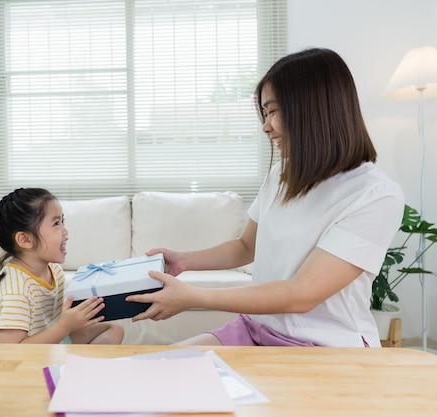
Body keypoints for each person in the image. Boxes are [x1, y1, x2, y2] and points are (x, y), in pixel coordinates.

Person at [126, 48, 405, 348]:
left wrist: (194, 297)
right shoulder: (281, 175)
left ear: (312, 107)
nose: (266, 126)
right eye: (265, 113)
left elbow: (302, 293)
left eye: (273, 111)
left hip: (324, 346)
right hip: (256, 328)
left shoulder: (374, 194)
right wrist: (184, 260)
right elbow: (246, 246)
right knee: (158, 368)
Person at [0, 187, 124, 344]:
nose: (65, 231)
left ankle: (80, 366)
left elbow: (53, 324)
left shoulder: (54, 270)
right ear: (26, 240)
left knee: (114, 327)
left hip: (46, 345)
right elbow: (12, 350)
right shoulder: (14, 291)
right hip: (15, 360)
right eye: (56, 224)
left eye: (62, 221)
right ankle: (76, 366)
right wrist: (64, 327)